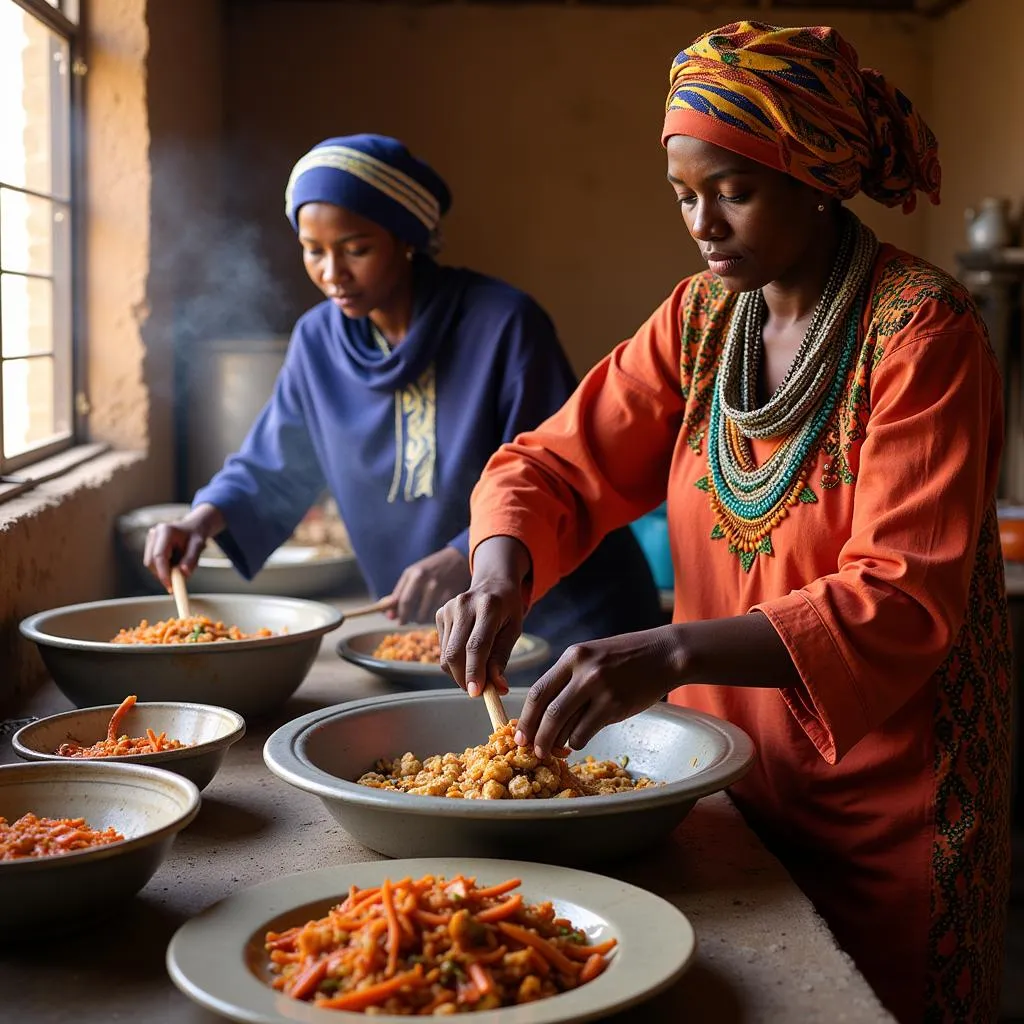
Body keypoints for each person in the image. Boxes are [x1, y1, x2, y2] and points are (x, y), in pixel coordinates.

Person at [435, 23, 1011, 1024]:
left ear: (816, 175)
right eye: (684, 194)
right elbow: (553, 464)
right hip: (722, 776)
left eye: (733, 191)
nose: (702, 222)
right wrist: (497, 570)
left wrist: (665, 649)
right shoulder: (702, 319)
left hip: (886, 797)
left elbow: (899, 596)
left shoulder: (924, 333)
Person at [144, 134, 662, 653]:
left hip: (573, 622)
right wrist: (200, 519)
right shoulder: (317, 341)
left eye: (357, 249)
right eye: (313, 250)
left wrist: (464, 556)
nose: (332, 274)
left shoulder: (503, 325)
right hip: (449, 635)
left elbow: (553, 478)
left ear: (407, 238)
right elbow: (274, 464)